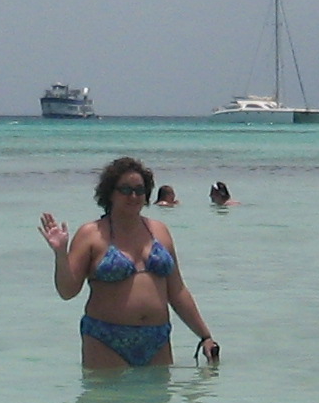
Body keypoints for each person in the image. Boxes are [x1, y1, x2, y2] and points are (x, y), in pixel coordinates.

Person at [39, 156, 220, 369]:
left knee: (158, 402)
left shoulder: (159, 231)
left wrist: (205, 336)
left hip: (157, 337)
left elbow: (177, 291)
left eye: (139, 190)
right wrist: (60, 254)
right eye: (125, 190)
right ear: (110, 193)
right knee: (110, 402)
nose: (133, 196)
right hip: (106, 339)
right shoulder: (91, 234)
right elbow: (67, 291)